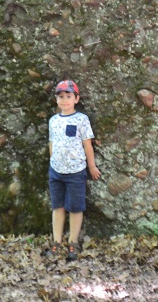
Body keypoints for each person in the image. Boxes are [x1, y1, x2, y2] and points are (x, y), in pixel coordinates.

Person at [45, 79, 100, 261]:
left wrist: (91, 166)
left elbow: (88, 145)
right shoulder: (53, 121)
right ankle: (56, 241)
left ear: (76, 98)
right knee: (57, 206)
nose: (64, 100)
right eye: (61, 96)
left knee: (76, 208)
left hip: (76, 172)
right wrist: (53, 161)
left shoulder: (81, 120)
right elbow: (51, 143)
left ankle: (73, 242)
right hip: (56, 171)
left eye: (68, 96)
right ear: (56, 99)